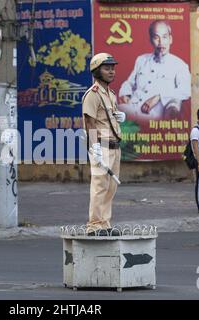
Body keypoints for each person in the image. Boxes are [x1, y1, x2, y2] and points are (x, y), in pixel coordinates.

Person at [82, 53, 126, 236]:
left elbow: (109, 117)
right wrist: (95, 149)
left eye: (112, 68)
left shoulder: (111, 94)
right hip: (102, 146)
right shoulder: (92, 94)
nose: (111, 71)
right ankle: (94, 225)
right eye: (106, 68)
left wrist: (120, 117)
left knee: (110, 188)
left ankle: (105, 224)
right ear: (96, 70)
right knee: (100, 187)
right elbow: (90, 122)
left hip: (115, 146)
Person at [118, 20, 191, 121]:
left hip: (151, 116)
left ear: (170, 39)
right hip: (131, 107)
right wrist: (125, 93)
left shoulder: (180, 66)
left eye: (165, 37)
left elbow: (186, 90)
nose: (161, 42)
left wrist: (159, 97)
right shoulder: (141, 60)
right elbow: (129, 83)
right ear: (150, 40)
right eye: (156, 37)